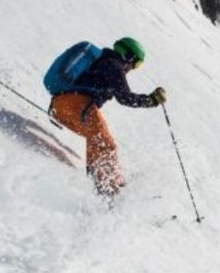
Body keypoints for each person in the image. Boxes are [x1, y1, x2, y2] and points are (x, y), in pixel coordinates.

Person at [49, 37, 166, 197]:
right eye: (137, 63)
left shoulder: (104, 61)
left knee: (97, 140)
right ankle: (108, 193)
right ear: (128, 56)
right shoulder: (113, 64)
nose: (133, 68)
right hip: (77, 105)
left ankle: (112, 184)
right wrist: (150, 100)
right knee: (106, 144)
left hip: (60, 106)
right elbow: (125, 98)